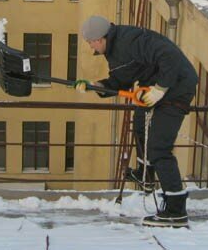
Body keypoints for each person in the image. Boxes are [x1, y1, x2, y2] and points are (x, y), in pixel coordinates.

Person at [75, 15, 198, 228]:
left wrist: (161, 88)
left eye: (91, 41)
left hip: (177, 87)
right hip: (153, 88)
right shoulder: (113, 51)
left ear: (101, 37)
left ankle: (176, 211)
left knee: (159, 148)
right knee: (139, 123)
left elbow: (169, 56)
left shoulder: (130, 40)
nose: (90, 46)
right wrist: (95, 86)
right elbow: (121, 81)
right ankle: (145, 174)